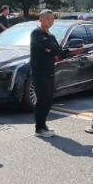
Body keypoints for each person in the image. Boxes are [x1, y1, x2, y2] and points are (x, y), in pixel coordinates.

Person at [30, 9, 62, 138]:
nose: (50, 21)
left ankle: (43, 125)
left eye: (52, 19)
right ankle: (39, 129)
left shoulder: (51, 35)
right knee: (42, 100)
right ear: (41, 19)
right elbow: (47, 46)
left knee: (48, 100)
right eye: (48, 18)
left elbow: (58, 51)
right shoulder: (36, 33)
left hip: (50, 71)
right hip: (39, 72)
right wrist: (51, 50)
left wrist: (52, 50)